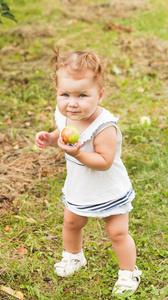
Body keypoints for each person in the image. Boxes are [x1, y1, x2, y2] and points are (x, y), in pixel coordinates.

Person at [35, 48, 142, 295]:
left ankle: (129, 273)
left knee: (116, 231)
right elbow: (61, 134)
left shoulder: (104, 126)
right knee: (72, 221)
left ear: (100, 95)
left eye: (82, 95)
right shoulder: (65, 115)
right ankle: (74, 256)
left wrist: (78, 154)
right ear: (57, 93)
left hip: (108, 186)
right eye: (65, 94)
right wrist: (50, 139)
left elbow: (104, 160)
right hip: (80, 185)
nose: (72, 103)